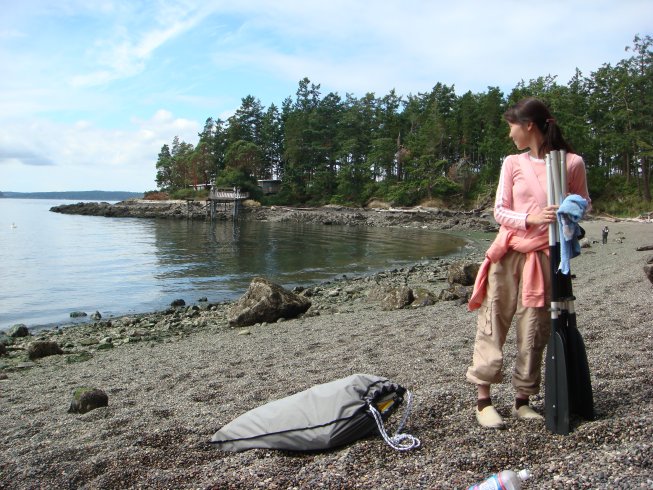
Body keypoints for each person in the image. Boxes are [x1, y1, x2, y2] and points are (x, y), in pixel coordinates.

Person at [466, 97, 591, 429]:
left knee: (534, 329)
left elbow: (584, 202)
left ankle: (523, 399)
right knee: (493, 321)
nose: (510, 134)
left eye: (511, 126)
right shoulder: (512, 163)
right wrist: (530, 217)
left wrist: (571, 210)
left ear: (529, 126)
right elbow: (499, 211)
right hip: (508, 254)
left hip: (544, 256)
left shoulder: (572, 163)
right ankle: (484, 401)